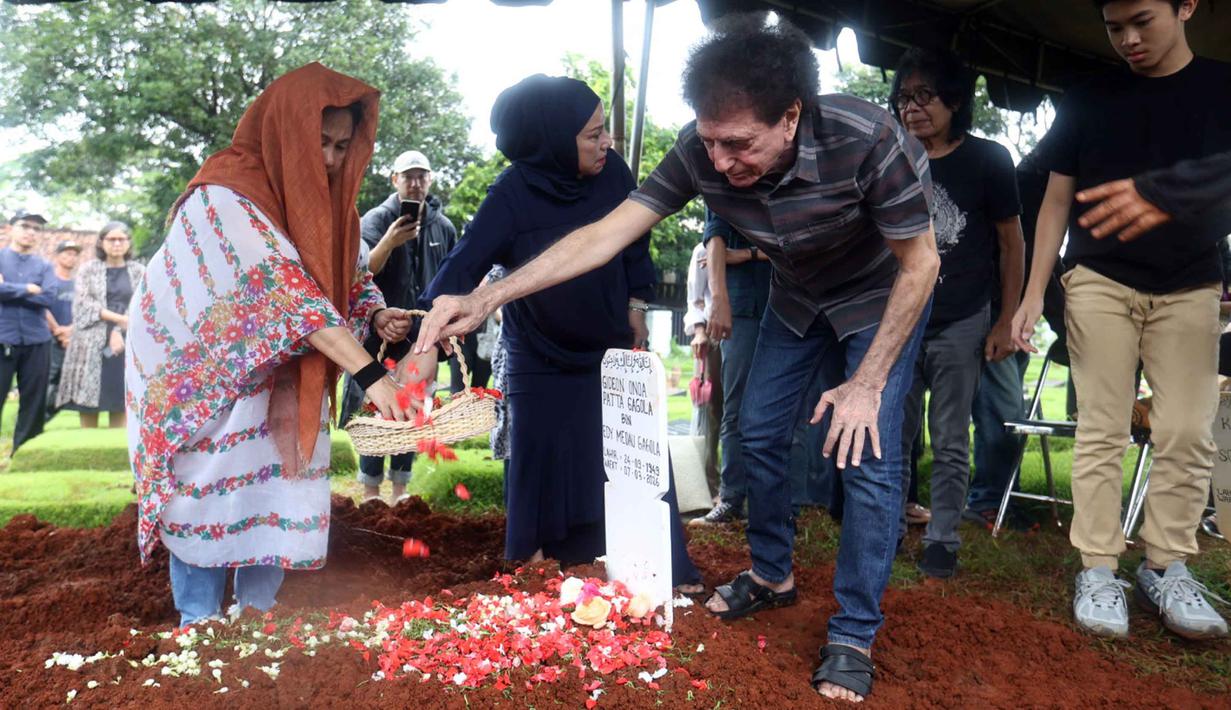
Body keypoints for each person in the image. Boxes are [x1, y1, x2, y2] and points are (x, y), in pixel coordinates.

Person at [413, 17, 937, 702]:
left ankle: (852, 632)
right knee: (753, 434)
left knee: (864, 452)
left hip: (881, 294)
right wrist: (490, 297)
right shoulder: (700, 149)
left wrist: (866, 383)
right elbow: (605, 234)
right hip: (797, 296)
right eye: (710, 141)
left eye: (738, 145)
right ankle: (772, 575)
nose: (718, 164)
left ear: (790, 117)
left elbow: (920, 263)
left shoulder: (868, 140)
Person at [125, 63, 413, 626]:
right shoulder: (224, 194)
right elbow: (281, 289)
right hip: (203, 385)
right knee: (208, 490)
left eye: (342, 146)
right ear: (284, 130)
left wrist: (375, 312)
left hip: (285, 378)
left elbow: (347, 277)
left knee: (277, 490)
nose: (330, 160)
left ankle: (256, 617)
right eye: (320, 142)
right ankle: (199, 625)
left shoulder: (332, 204)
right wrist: (369, 374)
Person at [403, 74, 703, 593]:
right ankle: (538, 573)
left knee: (626, 455)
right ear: (551, 140)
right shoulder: (511, 194)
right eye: (592, 134)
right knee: (540, 459)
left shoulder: (614, 175)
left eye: (605, 129)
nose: (605, 142)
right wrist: (425, 340)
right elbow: (460, 267)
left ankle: (659, 568)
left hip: (606, 352)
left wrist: (636, 301)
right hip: (537, 358)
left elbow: (635, 248)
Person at [1012, 0, 1230, 640]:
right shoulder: (1088, 96)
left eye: (1143, 20)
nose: (1128, 39)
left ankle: (1165, 567)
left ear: (1185, 7)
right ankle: (1099, 569)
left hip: (1191, 286)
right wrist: (1032, 295)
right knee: (1102, 429)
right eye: (1114, 28)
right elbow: (1055, 202)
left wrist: (1168, 192)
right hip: (1099, 280)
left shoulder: (1222, 87)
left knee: (1188, 431)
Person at [890, 48, 1025, 578]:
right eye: (904, 97)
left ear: (955, 99)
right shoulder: (892, 160)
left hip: (963, 317)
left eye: (925, 95)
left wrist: (1006, 319)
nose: (912, 107)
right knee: (894, 434)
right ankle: (891, 527)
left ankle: (942, 539)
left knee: (950, 436)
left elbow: (1012, 245)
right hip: (900, 318)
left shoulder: (989, 160)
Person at [337, 149, 458, 504]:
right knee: (378, 410)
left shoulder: (443, 226)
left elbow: (450, 279)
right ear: (395, 179)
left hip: (423, 339)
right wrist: (390, 240)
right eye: (409, 176)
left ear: (430, 179)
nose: (416, 183)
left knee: (414, 410)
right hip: (381, 336)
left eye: (422, 176)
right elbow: (358, 275)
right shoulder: (377, 219)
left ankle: (401, 489)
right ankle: (371, 489)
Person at [56, 223, 144, 428]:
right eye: (111, 239)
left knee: (120, 397)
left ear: (128, 243)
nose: (116, 243)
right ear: (101, 243)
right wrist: (117, 319)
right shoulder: (88, 269)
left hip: (125, 341)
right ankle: (87, 450)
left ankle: (115, 451)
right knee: (87, 401)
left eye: (121, 239)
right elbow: (82, 304)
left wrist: (118, 328)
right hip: (90, 343)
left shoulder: (139, 271)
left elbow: (143, 303)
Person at [0, 209, 56, 451]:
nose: (30, 232)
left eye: (36, 229)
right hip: (3, 338)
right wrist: (29, 289)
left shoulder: (44, 266)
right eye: (25, 226)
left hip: (37, 340)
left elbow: (49, 298)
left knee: (34, 400)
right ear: (11, 228)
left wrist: (8, 289)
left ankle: (23, 453)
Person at [683, 239, 723, 495]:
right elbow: (695, 299)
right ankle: (711, 481)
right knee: (712, 411)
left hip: (748, 331)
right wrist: (699, 332)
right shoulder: (702, 249)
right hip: (713, 333)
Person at [44, 239, 81, 421]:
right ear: (58, 256)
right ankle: (40, 419)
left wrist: (70, 331)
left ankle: (54, 417)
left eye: (75, 254)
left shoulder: (79, 285)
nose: (71, 257)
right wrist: (58, 330)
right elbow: (42, 307)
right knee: (48, 378)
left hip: (72, 340)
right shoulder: (49, 281)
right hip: (49, 338)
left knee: (66, 381)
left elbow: (84, 310)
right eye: (67, 253)